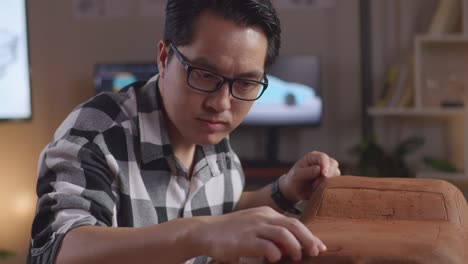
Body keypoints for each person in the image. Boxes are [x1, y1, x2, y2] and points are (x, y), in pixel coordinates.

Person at [28, 0, 340, 263]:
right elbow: (58, 249)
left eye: (244, 83)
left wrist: (286, 189)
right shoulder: (98, 131)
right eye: (204, 74)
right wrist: (200, 234)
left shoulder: (214, 137)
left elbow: (221, 210)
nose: (221, 103)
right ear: (164, 58)